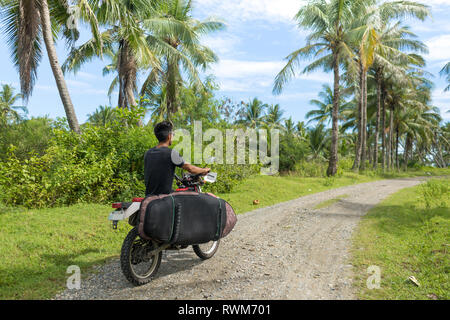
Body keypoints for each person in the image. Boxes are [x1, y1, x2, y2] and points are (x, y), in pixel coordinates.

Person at [144, 121, 210, 196]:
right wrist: (204, 170)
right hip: (164, 197)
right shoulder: (171, 153)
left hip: (149, 196)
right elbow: (190, 168)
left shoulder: (148, 153)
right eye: (173, 134)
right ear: (169, 136)